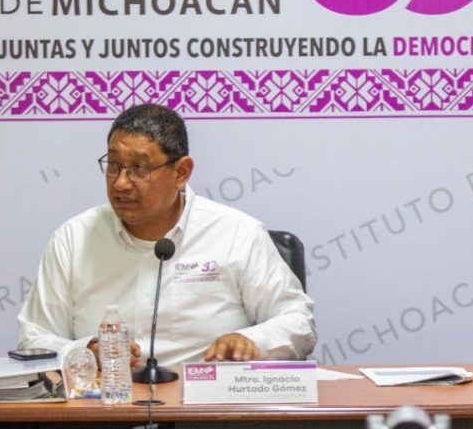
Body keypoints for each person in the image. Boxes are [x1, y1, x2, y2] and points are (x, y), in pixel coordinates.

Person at [18, 103, 316, 368]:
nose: (121, 183)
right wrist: (84, 352)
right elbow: (35, 338)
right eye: (114, 165)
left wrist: (251, 341)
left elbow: (298, 321)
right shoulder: (74, 239)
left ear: (182, 172)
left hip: (207, 403)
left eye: (140, 168)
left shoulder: (238, 234)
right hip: (107, 401)